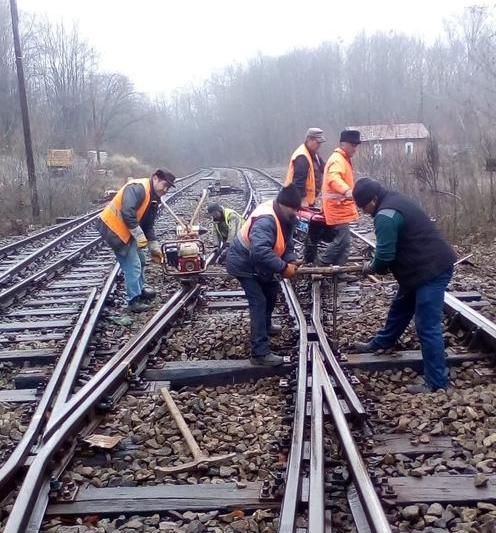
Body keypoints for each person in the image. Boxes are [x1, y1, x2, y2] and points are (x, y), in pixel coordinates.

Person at [352, 177, 457, 393]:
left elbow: (385, 255)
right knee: (401, 307)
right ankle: (384, 341)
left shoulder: (385, 215)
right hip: (418, 269)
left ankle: (436, 382)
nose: (363, 211)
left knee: (427, 326)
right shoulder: (394, 199)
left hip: (431, 270)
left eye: (364, 206)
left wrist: (371, 267)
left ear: (373, 199)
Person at [226, 184, 301, 367]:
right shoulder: (266, 220)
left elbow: (287, 242)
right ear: (283, 205)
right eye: (293, 209)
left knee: (271, 292)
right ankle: (259, 352)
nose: (296, 213)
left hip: (258, 263)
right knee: (259, 301)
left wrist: (291, 258)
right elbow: (260, 251)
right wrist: (284, 268)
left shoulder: (284, 217)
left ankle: (265, 327)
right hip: (244, 263)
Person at [96, 169, 176, 313]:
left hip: (126, 231)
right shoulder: (138, 188)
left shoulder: (153, 196)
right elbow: (128, 212)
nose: (165, 190)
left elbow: (148, 224)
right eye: (164, 185)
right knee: (133, 265)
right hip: (114, 230)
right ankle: (133, 301)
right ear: (156, 178)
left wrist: (154, 246)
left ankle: (140, 290)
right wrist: (139, 235)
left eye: (168, 188)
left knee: (141, 260)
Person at [311, 129, 361, 267]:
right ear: (343, 144)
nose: (355, 149)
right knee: (343, 241)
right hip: (337, 208)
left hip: (341, 208)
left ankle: (340, 270)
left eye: (356, 145)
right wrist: (346, 191)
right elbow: (333, 178)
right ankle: (321, 264)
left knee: (345, 242)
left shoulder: (343, 159)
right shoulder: (338, 160)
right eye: (353, 145)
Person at [285, 128, 326, 207]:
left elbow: (324, 168)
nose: (319, 145)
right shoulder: (302, 156)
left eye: (320, 143)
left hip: (310, 201)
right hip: (298, 202)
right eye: (317, 142)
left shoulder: (314, 154)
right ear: (309, 139)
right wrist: (302, 200)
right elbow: (298, 182)